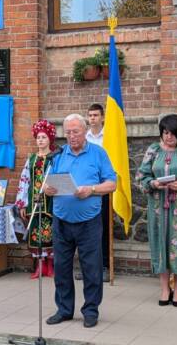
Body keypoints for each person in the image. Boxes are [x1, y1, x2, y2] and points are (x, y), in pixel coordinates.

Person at [44, 114, 116, 328]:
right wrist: (48, 189)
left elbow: (111, 184)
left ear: (85, 131)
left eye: (76, 131)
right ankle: (64, 310)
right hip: (61, 220)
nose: (72, 136)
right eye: (68, 132)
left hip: (89, 221)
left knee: (91, 268)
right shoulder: (57, 156)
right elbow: (48, 184)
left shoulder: (98, 153)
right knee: (62, 267)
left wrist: (91, 189)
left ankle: (91, 310)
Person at [136, 114, 177, 307]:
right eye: (166, 132)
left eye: (173, 133)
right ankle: (165, 289)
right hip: (157, 209)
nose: (169, 137)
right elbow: (141, 177)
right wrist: (153, 183)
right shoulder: (153, 151)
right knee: (160, 245)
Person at [15, 119, 57, 279]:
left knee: (49, 234)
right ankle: (39, 266)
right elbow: (24, 181)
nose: (40, 140)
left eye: (44, 137)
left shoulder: (54, 158)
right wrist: (22, 203)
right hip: (34, 204)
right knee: (35, 235)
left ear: (50, 139)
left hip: (50, 203)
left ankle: (50, 266)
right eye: (38, 137)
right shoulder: (31, 160)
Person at [75, 103, 110, 282]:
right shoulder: (84, 138)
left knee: (101, 229)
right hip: (84, 190)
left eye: (96, 115)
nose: (93, 118)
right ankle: (86, 267)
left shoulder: (108, 138)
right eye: (90, 115)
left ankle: (104, 266)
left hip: (102, 189)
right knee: (84, 231)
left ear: (102, 117)